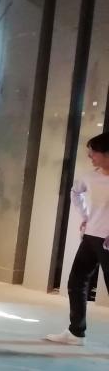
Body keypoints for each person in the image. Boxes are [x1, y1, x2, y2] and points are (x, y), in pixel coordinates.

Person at [46, 133, 109, 346]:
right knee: (76, 282)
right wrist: (85, 216)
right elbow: (75, 192)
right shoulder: (90, 177)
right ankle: (76, 332)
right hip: (91, 236)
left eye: (93, 152)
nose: (90, 156)